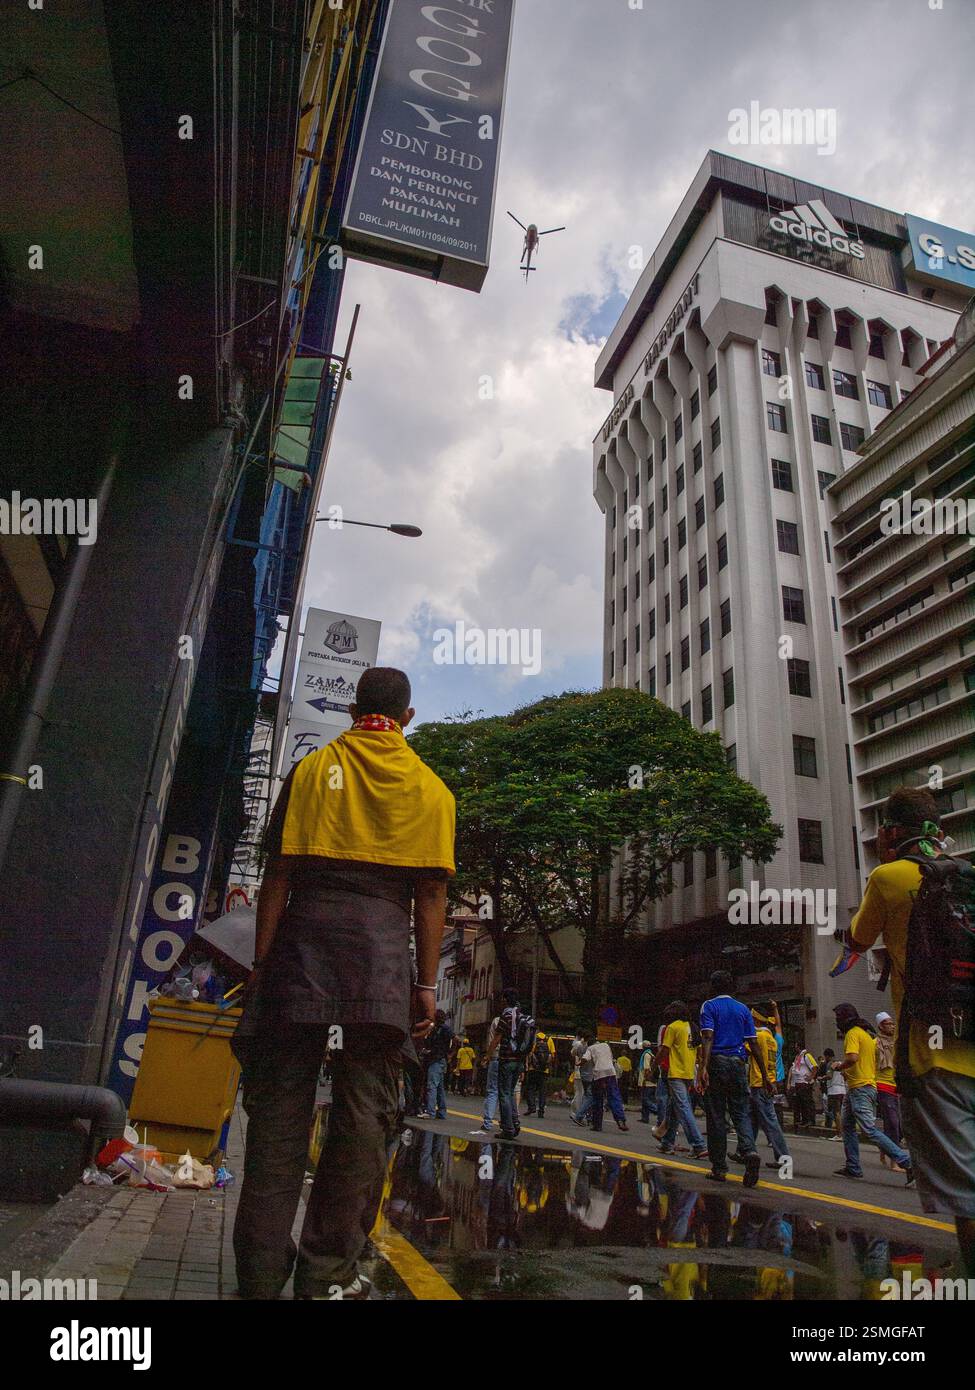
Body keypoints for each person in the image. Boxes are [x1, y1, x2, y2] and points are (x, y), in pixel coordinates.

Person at [232, 667, 455, 1300]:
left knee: (279, 1113)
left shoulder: (311, 771)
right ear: (408, 717)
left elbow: (277, 873)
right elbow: (432, 893)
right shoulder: (431, 790)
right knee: (363, 1119)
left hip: (301, 948)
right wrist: (426, 984)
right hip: (382, 961)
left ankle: (257, 1274)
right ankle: (326, 1275)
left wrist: (263, 963)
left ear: (353, 707)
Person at [849, 787, 974, 1273]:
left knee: (966, 1195)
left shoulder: (888, 877)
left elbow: (859, 937)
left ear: (891, 833)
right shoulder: (967, 877)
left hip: (933, 1056)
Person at [696, 970, 770, 1187]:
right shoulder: (743, 1009)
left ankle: (719, 1168)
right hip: (739, 1063)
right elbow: (753, 1044)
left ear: (713, 986)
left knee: (717, 1115)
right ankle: (749, 1150)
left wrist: (703, 1067)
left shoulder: (709, 1006)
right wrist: (765, 1075)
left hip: (717, 1061)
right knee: (741, 1112)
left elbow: (707, 1036)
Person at [831, 1002, 913, 1183]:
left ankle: (908, 1162)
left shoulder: (853, 1034)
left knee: (869, 1129)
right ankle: (853, 1166)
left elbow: (852, 1058)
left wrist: (839, 1065)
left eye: (838, 1018)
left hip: (860, 1088)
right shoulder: (866, 1036)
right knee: (847, 1127)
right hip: (860, 1087)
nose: (837, 1022)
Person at [657, 1000, 707, 1158]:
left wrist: (653, 1065)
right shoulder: (693, 1028)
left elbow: (664, 1050)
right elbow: (700, 1054)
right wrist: (699, 1074)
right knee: (673, 1108)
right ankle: (667, 1143)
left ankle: (698, 1145)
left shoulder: (673, 1027)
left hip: (676, 1073)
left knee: (684, 1108)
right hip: (688, 1073)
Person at [484, 988, 535, 1141]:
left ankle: (508, 1128)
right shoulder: (521, 1016)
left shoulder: (506, 1016)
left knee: (504, 1094)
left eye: (502, 999)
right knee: (510, 1092)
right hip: (519, 1061)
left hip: (507, 1060)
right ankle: (515, 1122)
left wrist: (487, 1056)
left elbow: (497, 1037)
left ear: (506, 999)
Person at [747, 1010, 790, 1168]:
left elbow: (745, 1049)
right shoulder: (771, 1038)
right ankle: (745, 1150)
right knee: (752, 1120)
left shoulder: (758, 1036)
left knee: (771, 1123)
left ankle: (783, 1158)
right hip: (765, 1083)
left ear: (756, 1020)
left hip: (759, 1083)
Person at [873, 1012, 901, 1167]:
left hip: (897, 1086)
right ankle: (894, 1162)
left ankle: (884, 1148)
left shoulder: (897, 1043)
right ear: (880, 1026)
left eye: (892, 1023)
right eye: (888, 1023)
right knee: (892, 1123)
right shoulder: (875, 1043)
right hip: (882, 1085)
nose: (892, 1026)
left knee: (900, 1125)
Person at [584, 1037, 629, 1132]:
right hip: (610, 1072)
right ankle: (620, 1119)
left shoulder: (590, 1048)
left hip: (599, 1074)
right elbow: (611, 1058)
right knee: (614, 1096)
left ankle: (597, 1125)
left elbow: (585, 1058)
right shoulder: (606, 1045)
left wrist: (578, 1063)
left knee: (597, 1099)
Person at [418, 1010, 452, 1119]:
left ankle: (430, 1111)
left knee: (432, 1085)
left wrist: (448, 1053)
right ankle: (441, 1112)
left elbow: (454, 1039)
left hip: (437, 1059)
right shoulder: (436, 1029)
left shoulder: (444, 1029)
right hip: (438, 1058)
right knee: (440, 1087)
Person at [787, 1041, 819, 1130]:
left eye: (796, 1046)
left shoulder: (807, 1055)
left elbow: (815, 1067)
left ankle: (810, 1120)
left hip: (805, 1083)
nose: (795, 1048)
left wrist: (811, 1077)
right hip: (798, 1083)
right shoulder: (799, 1056)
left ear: (799, 1047)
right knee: (801, 1102)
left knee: (807, 1102)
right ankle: (804, 1119)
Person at [523, 1030, 551, 1116]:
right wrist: (547, 1066)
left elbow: (528, 1053)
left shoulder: (533, 1038)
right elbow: (552, 1055)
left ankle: (531, 1107)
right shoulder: (549, 1039)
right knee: (542, 1090)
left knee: (530, 1088)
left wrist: (527, 1065)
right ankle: (541, 1111)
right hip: (544, 1070)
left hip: (533, 1069)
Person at [570, 1032, 595, 1125]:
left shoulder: (578, 1046)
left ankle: (581, 1114)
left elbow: (572, 1053)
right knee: (587, 1095)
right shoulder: (590, 1047)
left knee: (583, 1094)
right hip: (590, 1074)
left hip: (580, 1072)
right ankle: (580, 1115)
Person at [637, 1038, 656, 1122]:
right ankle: (645, 1117)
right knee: (645, 1100)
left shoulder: (646, 1055)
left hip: (647, 1082)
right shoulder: (651, 1054)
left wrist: (644, 1080)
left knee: (646, 1099)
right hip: (651, 1082)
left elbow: (646, 1069)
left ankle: (658, 1111)